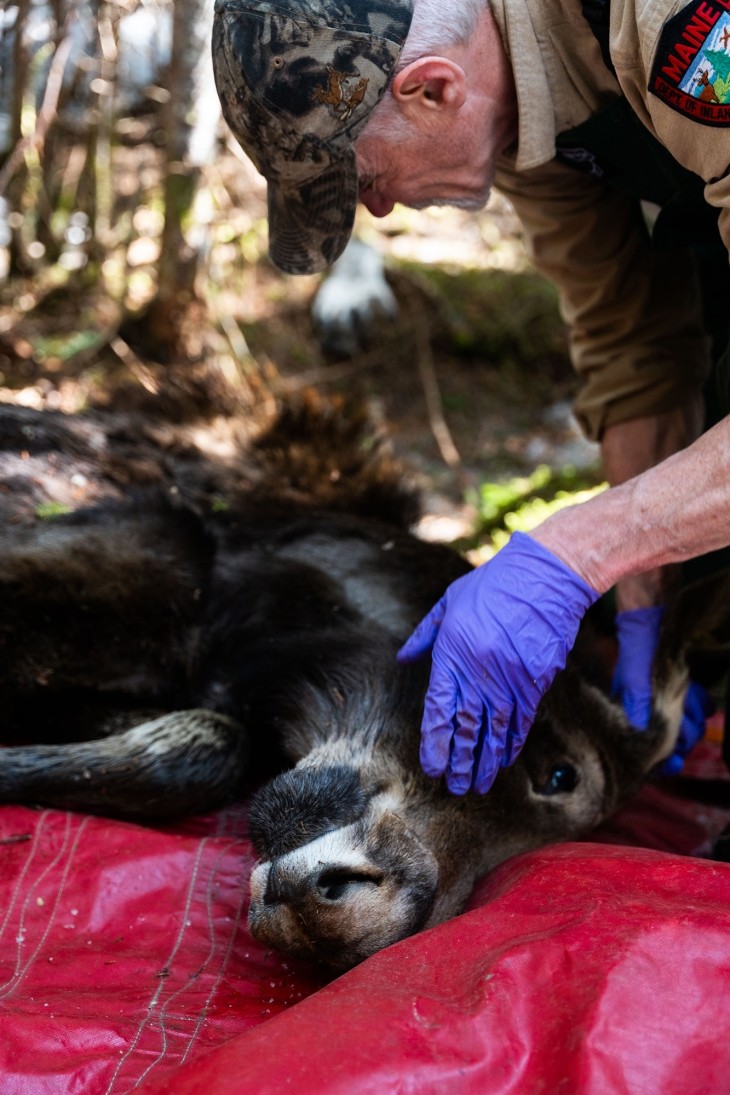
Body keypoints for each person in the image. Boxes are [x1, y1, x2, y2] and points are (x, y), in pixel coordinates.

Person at [211, 0, 730, 794]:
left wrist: (580, 552)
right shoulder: (523, 112)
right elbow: (635, 344)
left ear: (433, 89)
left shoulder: (677, 25)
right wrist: (642, 603)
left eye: (370, 179)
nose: (379, 210)